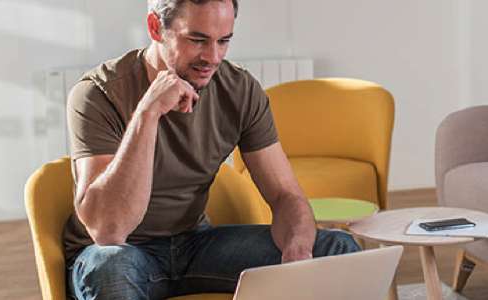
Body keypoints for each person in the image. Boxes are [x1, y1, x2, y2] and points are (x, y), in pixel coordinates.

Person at [62, 0, 361, 298]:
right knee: (112, 267)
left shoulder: (239, 90)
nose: (212, 57)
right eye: (197, 40)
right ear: (155, 27)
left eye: (224, 41)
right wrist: (147, 114)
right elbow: (108, 231)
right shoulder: (97, 94)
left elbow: (285, 195)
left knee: (337, 249)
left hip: (194, 245)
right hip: (118, 252)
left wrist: (298, 246)